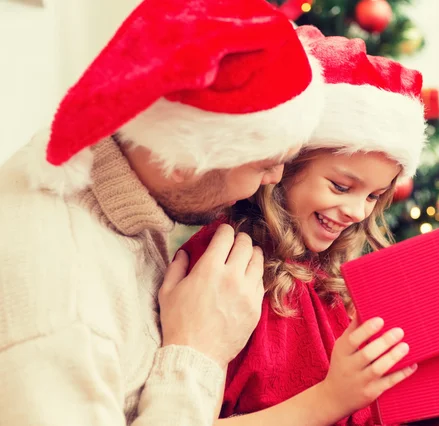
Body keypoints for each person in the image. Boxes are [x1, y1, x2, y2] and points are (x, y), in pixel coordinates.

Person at [180, 28, 439, 426]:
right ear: (284, 165)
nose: (358, 211)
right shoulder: (223, 267)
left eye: (374, 196)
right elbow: (186, 417)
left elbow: (367, 408)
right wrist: (331, 398)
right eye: (341, 186)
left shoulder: (338, 281)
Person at [0, 1, 324, 425]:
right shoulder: (64, 314)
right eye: (264, 163)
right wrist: (198, 352)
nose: (273, 178)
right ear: (188, 159)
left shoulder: (118, 175)